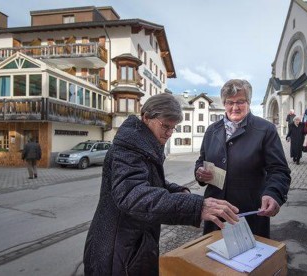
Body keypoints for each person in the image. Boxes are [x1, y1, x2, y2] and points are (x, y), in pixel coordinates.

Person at [83, 93, 240, 276]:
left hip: (130, 245)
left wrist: (177, 190)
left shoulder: (142, 143)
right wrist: (195, 207)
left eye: (173, 128)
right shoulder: (128, 148)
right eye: (165, 126)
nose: (169, 133)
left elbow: (149, 181)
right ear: (146, 117)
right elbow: (132, 194)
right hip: (117, 251)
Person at [195, 79, 291, 239]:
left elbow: (279, 170)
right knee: (213, 260)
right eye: (229, 102)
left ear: (249, 102)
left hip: (248, 213)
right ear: (224, 103)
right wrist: (199, 173)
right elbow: (201, 160)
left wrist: (273, 194)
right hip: (215, 213)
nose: (235, 107)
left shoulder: (265, 129)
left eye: (240, 101)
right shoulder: (212, 130)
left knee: (248, 261)